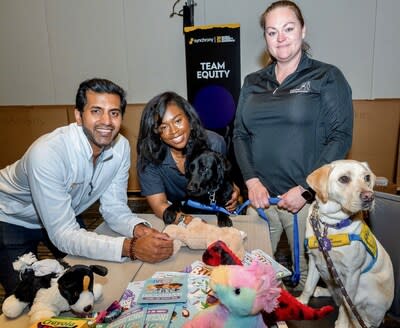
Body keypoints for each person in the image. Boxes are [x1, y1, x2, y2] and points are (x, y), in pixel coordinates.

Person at [0, 78, 173, 296]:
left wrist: (138, 229)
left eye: (114, 113)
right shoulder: (48, 153)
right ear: (78, 116)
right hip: (10, 220)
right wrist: (131, 247)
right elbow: (63, 234)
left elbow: (114, 208)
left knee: (81, 287)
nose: (106, 121)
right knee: (26, 298)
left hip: (65, 214)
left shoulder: (120, 147)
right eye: (96, 111)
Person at [233, 0, 353, 290]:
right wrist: (251, 181)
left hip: (303, 203)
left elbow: (340, 136)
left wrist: (306, 188)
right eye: (272, 32)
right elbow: (240, 134)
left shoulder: (326, 77)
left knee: (314, 286)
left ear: (303, 30)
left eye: (288, 28)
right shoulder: (252, 81)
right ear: (265, 39)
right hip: (261, 200)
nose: (281, 38)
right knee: (250, 283)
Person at [137, 91, 240, 224]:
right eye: (164, 127)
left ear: (190, 120)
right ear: (157, 132)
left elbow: (222, 178)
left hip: (210, 210)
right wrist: (189, 222)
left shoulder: (214, 143)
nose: (174, 131)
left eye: (178, 121)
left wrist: (233, 191)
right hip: (174, 210)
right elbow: (159, 205)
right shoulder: (149, 158)